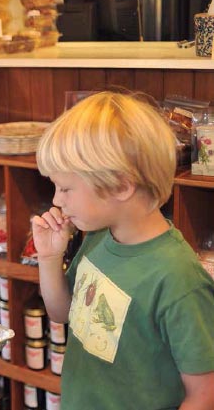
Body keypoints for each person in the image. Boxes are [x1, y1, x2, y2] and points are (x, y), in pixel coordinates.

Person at [31, 91, 214, 409]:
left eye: (66, 188)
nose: (57, 201)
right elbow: (62, 313)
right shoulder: (98, 237)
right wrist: (49, 258)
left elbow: (204, 392)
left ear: (120, 186)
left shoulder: (178, 278)